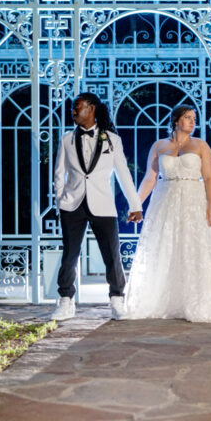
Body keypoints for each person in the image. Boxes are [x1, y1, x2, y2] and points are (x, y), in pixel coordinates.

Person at [122, 105, 211, 322]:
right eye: (188, 118)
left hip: (193, 200)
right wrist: (136, 204)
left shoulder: (200, 145)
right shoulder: (159, 145)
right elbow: (150, 178)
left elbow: (209, 178)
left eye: (194, 118)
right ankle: (165, 299)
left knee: (194, 246)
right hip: (166, 199)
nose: (192, 121)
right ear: (176, 120)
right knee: (165, 246)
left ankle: (198, 300)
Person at [51, 92, 142, 321]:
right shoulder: (66, 139)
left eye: (77, 107)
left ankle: (117, 300)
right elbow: (59, 174)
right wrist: (61, 200)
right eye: (73, 108)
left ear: (91, 109)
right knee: (70, 254)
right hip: (72, 204)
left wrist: (135, 205)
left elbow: (123, 173)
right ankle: (65, 301)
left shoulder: (112, 139)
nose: (73, 111)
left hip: (102, 204)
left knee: (112, 255)